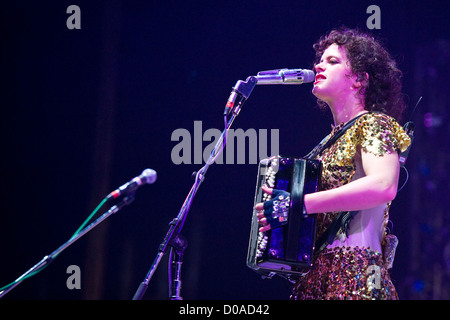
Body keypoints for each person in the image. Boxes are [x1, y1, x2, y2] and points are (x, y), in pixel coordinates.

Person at [255, 27, 411, 300]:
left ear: (360, 80)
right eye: (320, 60)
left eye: (333, 61)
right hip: (313, 280)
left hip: (356, 276)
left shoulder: (374, 123)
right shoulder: (325, 144)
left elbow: (384, 185)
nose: (318, 65)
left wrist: (299, 203)